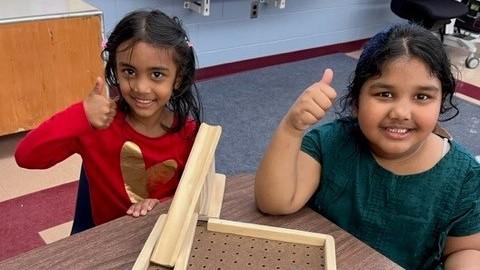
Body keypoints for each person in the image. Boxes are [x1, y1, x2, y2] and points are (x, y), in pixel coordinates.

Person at [255, 23, 480, 269]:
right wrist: (291, 128)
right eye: (385, 94)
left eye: (422, 97)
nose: (401, 112)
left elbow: (467, 249)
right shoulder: (330, 142)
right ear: (356, 101)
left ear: (441, 104)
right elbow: (274, 202)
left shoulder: (464, 178)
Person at [15, 10, 202, 226]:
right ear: (115, 70)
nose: (141, 88)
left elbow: (195, 195)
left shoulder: (190, 133)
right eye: (129, 72)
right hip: (105, 245)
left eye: (157, 74)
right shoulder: (95, 125)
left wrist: (163, 204)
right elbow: (26, 156)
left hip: (159, 239)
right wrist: (81, 115)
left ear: (178, 79)